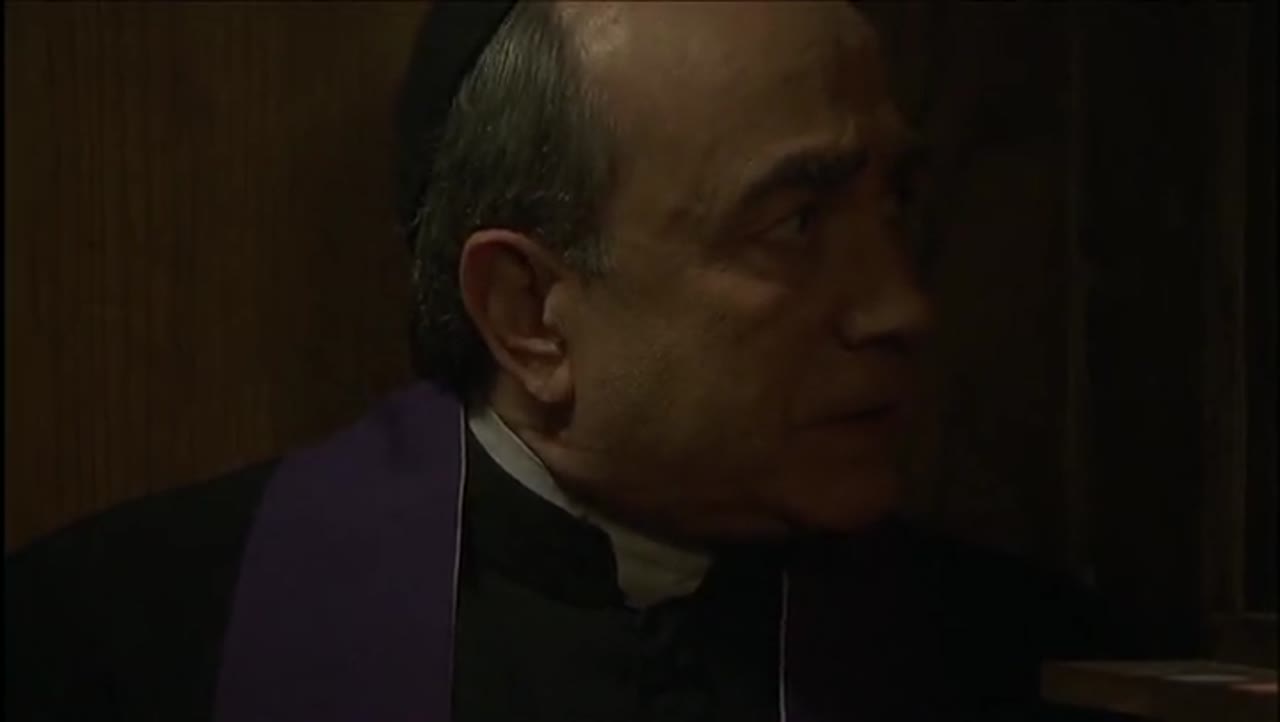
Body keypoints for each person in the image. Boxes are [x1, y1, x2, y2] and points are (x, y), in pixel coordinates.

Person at [5, 2, 1147, 720]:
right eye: (795, 223)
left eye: (891, 202)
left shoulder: (1045, 667)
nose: (902, 307)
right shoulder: (114, 651)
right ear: (530, 315)